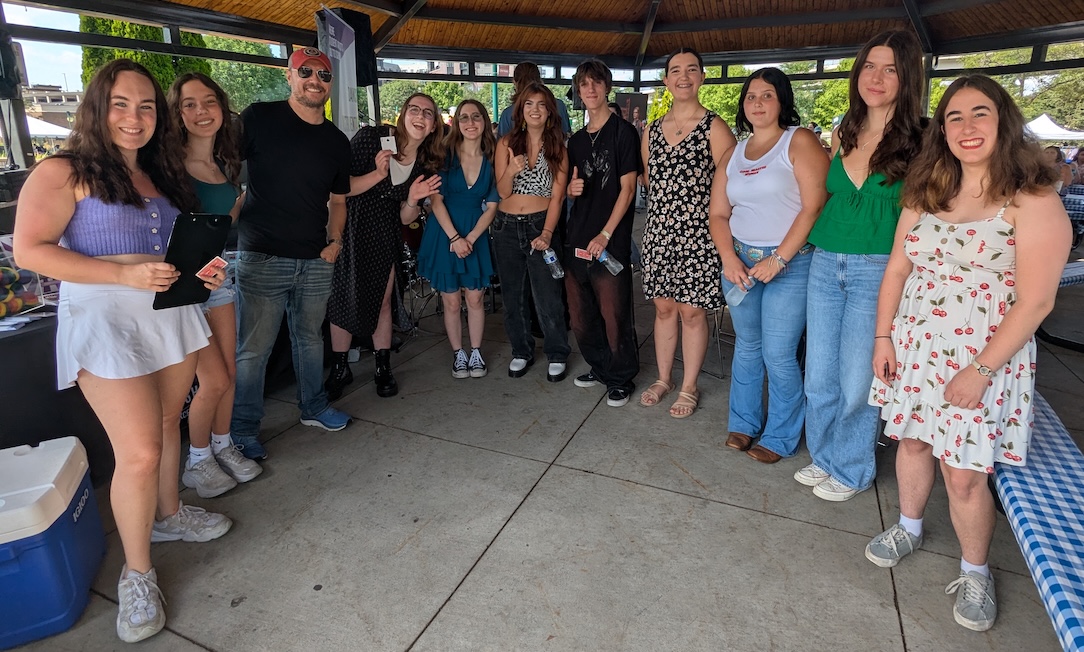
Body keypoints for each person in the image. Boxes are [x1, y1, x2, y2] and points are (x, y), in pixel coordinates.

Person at [13, 59, 231, 643]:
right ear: (96, 107)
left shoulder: (161, 173)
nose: (134, 118)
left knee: (166, 425)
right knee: (136, 452)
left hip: (170, 316)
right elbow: (30, 252)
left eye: (145, 107)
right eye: (120, 104)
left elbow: (169, 251)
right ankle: (137, 575)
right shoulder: (63, 170)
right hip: (106, 324)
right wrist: (125, 274)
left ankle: (169, 516)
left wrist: (198, 272)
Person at [866, 74, 1070, 632]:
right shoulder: (927, 186)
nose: (966, 127)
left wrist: (980, 371)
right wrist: (883, 337)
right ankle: (908, 526)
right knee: (910, 439)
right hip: (916, 344)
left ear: (1004, 121)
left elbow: (1035, 301)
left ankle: (975, 570)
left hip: (984, 356)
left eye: (979, 113)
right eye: (954, 117)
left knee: (963, 472)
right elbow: (898, 267)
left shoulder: (1032, 199)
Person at [796, 30, 927, 501]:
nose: (876, 77)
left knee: (858, 381)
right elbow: (830, 195)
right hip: (825, 260)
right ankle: (825, 456)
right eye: (870, 66)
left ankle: (852, 468)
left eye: (890, 68)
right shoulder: (843, 131)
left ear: (907, 77)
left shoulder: (922, 140)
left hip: (879, 267)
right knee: (820, 376)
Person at [230, 47, 353, 460]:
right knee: (253, 350)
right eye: (306, 72)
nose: (314, 80)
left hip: (317, 257)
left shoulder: (336, 140)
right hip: (262, 255)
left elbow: (339, 199)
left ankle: (313, 407)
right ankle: (243, 429)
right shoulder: (258, 118)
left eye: (323, 74)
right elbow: (224, 172)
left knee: (309, 339)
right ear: (289, 75)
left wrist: (335, 241)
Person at [710, 68, 829, 462]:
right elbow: (718, 215)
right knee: (747, 346)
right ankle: (743, 423)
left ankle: (779, 435)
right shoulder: (734, 152)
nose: (757, 103)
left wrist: (779, 258)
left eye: (766, 96)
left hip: (790, 263)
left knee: (778, 352)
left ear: (782, 102)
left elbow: (814, 207)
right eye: (751, 96)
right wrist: (729, 257)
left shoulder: (799, 141)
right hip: (741, 261)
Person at [167, 72, 263, 497]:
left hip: (218, 279)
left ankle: (222, 446)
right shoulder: (167, 168)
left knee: (231, 373)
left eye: (209, 102)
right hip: (181, 290)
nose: (201, 111)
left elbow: (222, 226)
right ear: (177, 112)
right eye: (189, 104)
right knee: (215, 381)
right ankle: (198, 460)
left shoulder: (224, 164)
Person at [325, 93, 443, 398]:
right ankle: (340, 366)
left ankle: (382, 365)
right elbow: (340, 188)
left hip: (386, 233)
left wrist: (415, 199)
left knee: (384, 300)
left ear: (433, 126)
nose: (420, 116)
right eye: (414, 110)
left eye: (428, 113)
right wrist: (377, 174)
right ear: (403, 115)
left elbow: (406, 217)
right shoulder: (373, 138)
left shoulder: (425, 165)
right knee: (344, 295)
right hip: (353, 226)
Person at [640, 48, 736, 418]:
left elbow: (728, 186)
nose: (683, 76)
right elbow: (650, 179)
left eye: (691, 70)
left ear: (701, 78)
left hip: (699, 233)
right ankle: (664, 378)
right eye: (675, 71)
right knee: (664, 309)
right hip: (660, 231)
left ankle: (689, 385)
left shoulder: (715, 127)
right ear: (666, 80)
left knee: (692, 313)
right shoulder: (651, 130)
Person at [565, 59, 641, 407]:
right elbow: (571, 186)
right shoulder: (576, 141)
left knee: (614, 313)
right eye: (584, 84)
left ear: (607, 86)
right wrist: (572, 189)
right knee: (581, 314)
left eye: (596, 82)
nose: (590, 89)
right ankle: (599, 366)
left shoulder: (623, 132)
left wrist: (606, 234)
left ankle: (621, 376)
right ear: (578, 91)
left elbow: (627, 189)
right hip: (577, 236)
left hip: (610, 240)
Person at [493, 81, 571, 380]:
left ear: (550, 111)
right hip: (506, 226)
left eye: (541, 104)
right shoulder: (506, 144)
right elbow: (501, 192)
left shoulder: (559, 148)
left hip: (541, 222)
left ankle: (556, 351)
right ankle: (521, 350)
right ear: (520, 111)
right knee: (513, 295)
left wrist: (548, 233)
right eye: (529, 104)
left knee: (548, 294)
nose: (535, 109)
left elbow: (558, 196)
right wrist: (511, 171)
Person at [417, 99, 499, 377]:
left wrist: (471, 238)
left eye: (476, 116)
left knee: (475, 299)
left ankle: (476, 352)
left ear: (484, 121)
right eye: (464, 117)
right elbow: (435, 200)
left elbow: (493, 205)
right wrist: (455, 238)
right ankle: (458, 354)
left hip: (474, 235)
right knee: (451, 301)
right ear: (457, 123)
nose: (470, 122)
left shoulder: (492, 158)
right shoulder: (445, 156)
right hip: (445, 234)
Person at [497, 61, 572, 137]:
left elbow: (502, 143)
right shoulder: (559, 105)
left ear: (515, 82)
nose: (535, 109)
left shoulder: (508, 113)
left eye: (542, 105)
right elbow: (566, 136)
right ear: (539, 79)